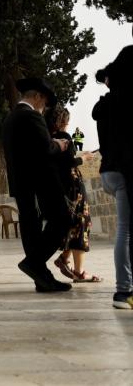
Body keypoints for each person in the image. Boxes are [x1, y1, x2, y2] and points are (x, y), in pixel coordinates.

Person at [2, 77, 73, 293]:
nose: (44, 108)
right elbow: (45, 150)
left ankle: (41, 279)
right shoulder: (31, 116)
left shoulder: (11, 118)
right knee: (62, 219)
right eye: (44, 102)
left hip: (21, 182)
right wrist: (59, 145)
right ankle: (34, 263)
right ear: (37, 97)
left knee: (31, 228)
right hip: (39, 182)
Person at [47, 107, 100, 284]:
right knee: (81, 223)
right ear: (63, 120)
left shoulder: (47, 139)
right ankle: (79, 272)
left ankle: (64, 258)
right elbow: (69, 163)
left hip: (62, 188)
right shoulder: (65, 136)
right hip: (74, 186)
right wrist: (84, 158)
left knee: (74, 224)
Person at [94, 65, 132, 309]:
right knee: (125, 231)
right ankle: (124, 291)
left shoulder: (103, 106)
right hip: (124, 172)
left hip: (108, 172)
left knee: (125, 229)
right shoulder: (124, 103)